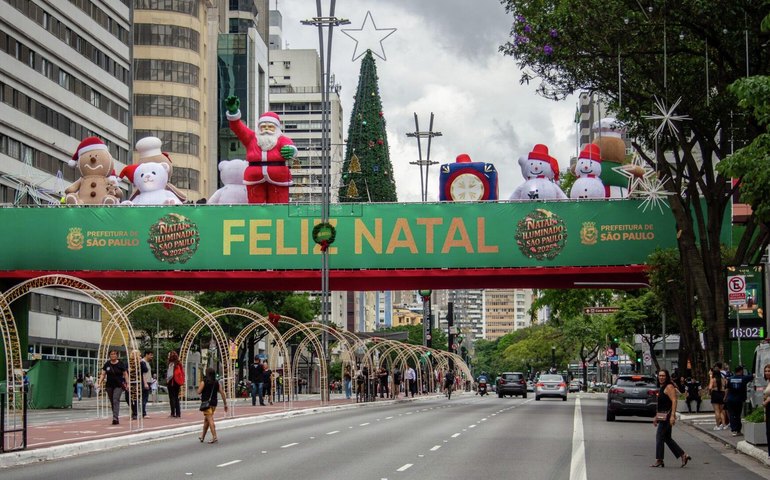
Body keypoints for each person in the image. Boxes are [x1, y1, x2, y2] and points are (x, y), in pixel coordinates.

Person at [224, 96, 297, 204]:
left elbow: (290, 148)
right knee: (255, 205)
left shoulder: (282, 139)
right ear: (259, 128)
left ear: (276, 128)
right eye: (263, 126)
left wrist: (292, 151)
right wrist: (233, 113)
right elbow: (238, 128)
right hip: (254, 176)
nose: (266, 129)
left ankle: (279, 220)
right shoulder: (251, 138)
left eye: (270, 126)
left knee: (279, 204)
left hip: (278, 176)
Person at [650, 369, 691, 468]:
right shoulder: (662, 387)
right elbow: (662, 405)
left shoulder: (669, 387)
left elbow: (674, 401)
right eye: (660, 375)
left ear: (667, 376)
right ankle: (683, 455)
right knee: (667, 438)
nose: (661, 377)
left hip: (667, 416)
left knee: (659, 436)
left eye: (663, 375)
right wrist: (656, 417)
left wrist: (672, 416)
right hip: (663, 415)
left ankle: (659, 459)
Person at [197, 367, 228, 444]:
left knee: (210, 419)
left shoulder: (204, 382)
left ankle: (214, 437)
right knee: (206, 420)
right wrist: (225, 404)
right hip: (214, 403)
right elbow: (222, 393)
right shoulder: (217, 382)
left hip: (206, 404)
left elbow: (199, 391)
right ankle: (202, 437)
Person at [98, 349, 129, 425]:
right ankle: (115, 416)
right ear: (109, 356)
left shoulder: (121, 364)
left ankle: (115, 418)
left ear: (117, 355)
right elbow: (103, 374)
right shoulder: (107, 364)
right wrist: (99, 382)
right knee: (112, 402)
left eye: (114, 354)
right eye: (111, 354)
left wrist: (128, 383)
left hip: (118, 385)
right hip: (109, 385)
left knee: (115, 400)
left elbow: (125, 374)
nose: (113, 355)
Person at [725, 365, 754, 436]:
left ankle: (733, 430)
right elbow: (753, 375)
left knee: (732, 414)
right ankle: (738, 430)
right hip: (739, 400)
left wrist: (725, 397)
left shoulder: (730, 379)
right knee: (738, 415)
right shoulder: (744, 378)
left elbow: (727, 389)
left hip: (730, 399)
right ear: (741, 371)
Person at [708, 366, 728, 430]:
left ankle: (718, 426)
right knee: (722, 410)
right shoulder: (723, 379)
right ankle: (724, 424)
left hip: (715, 394)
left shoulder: (713, 379)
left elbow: (710, 387)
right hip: (722, 394)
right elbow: (726, 386)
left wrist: (710, 392)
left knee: (717, 411)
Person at [166, 351, 184, 418]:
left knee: (172, 398)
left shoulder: (171, 364)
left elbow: (170, 374)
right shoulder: (179, 364)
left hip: (172, 382)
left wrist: (167, 380)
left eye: (169, 355)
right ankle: (178, 413)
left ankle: (173, 413)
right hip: (177, 383)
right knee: (176, 397)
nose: (168, 356)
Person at [140, 350, 153, 418]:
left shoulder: (147, 363)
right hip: (145, 382)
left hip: (148, 382)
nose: (152, 356)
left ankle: (143, 412)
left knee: (145, 398)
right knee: (144, 398)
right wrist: (145, 383)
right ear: (146, 355)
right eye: (150, 355)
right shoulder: (143, 362)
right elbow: (143, 374)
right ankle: (143, 413)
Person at [762, 364, 770, 458]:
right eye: (766, 371)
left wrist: (767, 400)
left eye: (769, 371)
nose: (767, 373)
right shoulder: (768, 382)